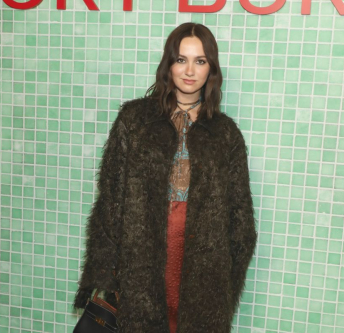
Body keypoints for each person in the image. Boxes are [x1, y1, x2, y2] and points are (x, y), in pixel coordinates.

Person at [73, 22, 257, 333]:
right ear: (168, 64)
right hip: (142, 254)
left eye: (200, 61)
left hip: (202, 261)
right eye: (180, 59)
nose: (189, 70)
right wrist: (107, 272)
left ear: (211, 68)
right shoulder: (135, 121)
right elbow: (110, 201)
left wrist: (223, 283)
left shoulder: (225, 134)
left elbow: (240, 220)